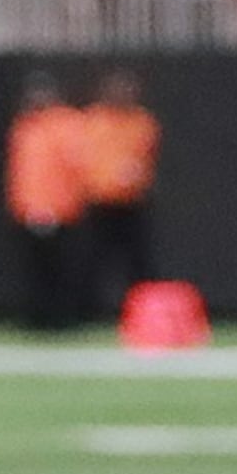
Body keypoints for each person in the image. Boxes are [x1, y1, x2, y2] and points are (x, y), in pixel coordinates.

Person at [71, 70, 160, 317]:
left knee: (139, 263)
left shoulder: (143, 122)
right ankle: (85, 314)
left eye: (128, 89)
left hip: (132, 203)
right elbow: (84, 159)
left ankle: (144, 314)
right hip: (99, 202)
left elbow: (145, 158)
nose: (122, 94)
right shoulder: (93, 120)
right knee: (91, 261)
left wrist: (134, 175)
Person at [5, 72, 88, 333]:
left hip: (59, 210)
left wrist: (58, 205)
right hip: (29, 209)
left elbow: (75, 168)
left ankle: (63, 319)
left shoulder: (67, 124)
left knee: (60, 268)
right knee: (33, 269)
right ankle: (36, 319)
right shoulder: (24, 126)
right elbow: (21, 171)